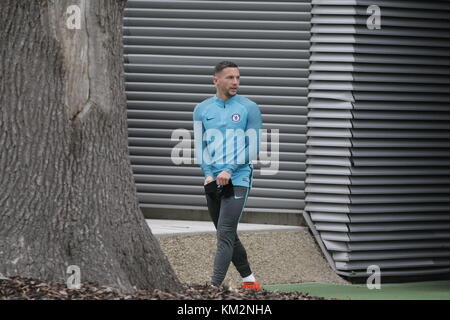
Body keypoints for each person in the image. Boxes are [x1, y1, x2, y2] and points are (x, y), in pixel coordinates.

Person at [193, 61, 263, 290]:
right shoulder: (201, 109)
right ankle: (250, 281)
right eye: (230, 78)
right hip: (213, 180)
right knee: (228, 233)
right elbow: (199, 146)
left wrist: (229, 170)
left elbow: (253, 148)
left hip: (239, 177)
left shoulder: (249, 107)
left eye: (238, 78)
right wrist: (209, 174)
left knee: (224, 233)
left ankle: (212, 288)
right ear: (216, 80)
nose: (235, 82)